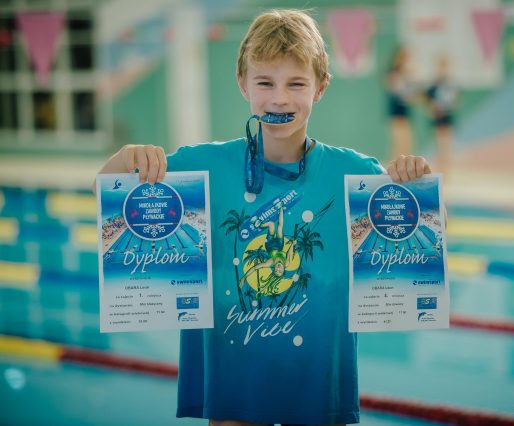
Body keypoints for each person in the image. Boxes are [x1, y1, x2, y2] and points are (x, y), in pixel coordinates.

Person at [94, 9, 435, 426]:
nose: (280, 98)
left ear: (321, 87)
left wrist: (414, 182)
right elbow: (104, 198)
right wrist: (124, 159)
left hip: (316, 385)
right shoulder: (202, 167)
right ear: (243, 84)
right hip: (234, 387)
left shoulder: (355, 175)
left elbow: (424, 242)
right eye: (265, 83)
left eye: (296, 83)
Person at [423, 54, 458, 178]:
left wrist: (450, 105)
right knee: (439, 145)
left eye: (445, 66)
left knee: (446, 145)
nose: (443, 69)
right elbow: (427, 100)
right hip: (438, 118)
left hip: (447, 118)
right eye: (441, 66)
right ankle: (441, 170)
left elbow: (456, 100)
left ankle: (447, 171)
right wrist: (433, 108)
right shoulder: (434, 85)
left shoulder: (451, 84)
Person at [385, 46, 415, 158]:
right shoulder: (393, 72)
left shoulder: (408, 74)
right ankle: (394, 165)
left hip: (405, 111)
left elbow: (411, 94)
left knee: (407, 143)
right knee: (398, 143)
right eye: (404, 57)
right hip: (396, 111)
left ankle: (404, 165)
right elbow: (393, 88)